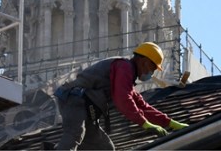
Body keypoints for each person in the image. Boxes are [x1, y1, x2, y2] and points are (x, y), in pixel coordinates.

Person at [53, 42, 189, 150]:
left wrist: (171, 123)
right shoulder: (124, 67)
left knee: (105, 148)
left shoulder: (127, 77)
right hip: (74, 100)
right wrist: (144, 123)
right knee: (75, 133)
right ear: (144, 62)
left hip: (86, 110)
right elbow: (123, 99)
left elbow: (142, 106)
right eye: (152, 69)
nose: (151, 74)